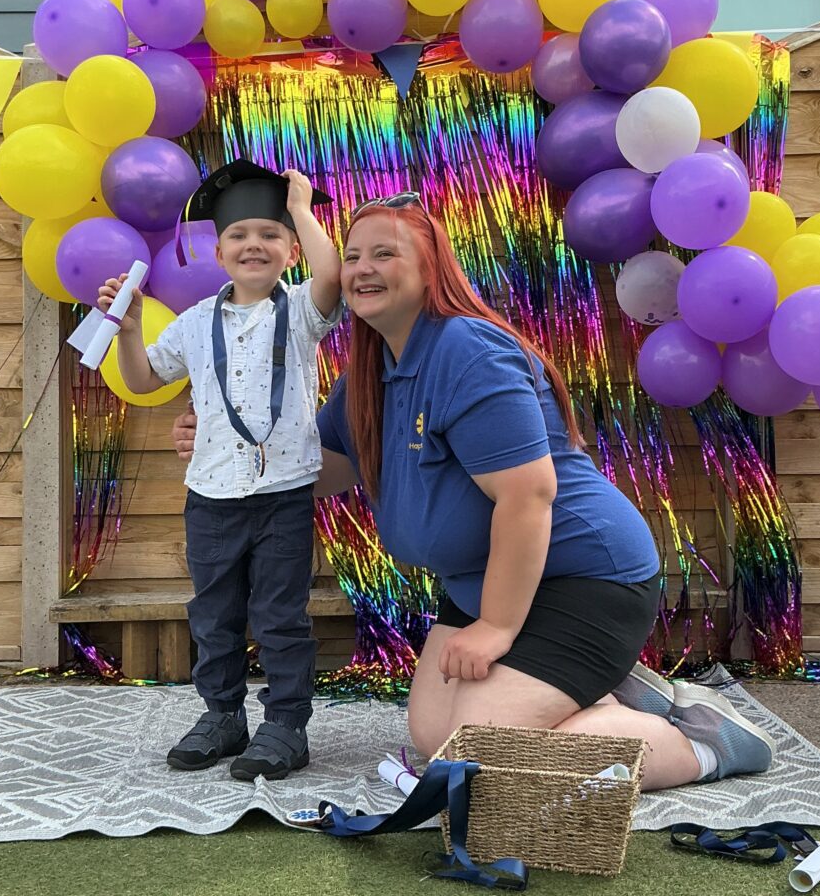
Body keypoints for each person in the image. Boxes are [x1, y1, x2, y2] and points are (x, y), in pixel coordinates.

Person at [172, 193, 775, 790]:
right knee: (437, 740)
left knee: (480, 758)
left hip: (581, 578)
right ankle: (613, 694)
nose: (361, 269)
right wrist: (224, 438)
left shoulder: (469, 350)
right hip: (481, 582)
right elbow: (324, 468)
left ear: (431, 267)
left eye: (385, 253)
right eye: (352, 256)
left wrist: (495, 627)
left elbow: (528, 496)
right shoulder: (372, 370)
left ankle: (707, 745)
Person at [100, 159, 342, 781]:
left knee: (282, 614)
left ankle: (286, 723)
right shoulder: (194, 323)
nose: (253, 245)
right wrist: (128, 331)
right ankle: (223, 715)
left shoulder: (302, 314)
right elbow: (142, 379)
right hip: (210, 494)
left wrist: (303, 209)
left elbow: (332, 273)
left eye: (269, 234)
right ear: (219, 249)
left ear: (289, 250)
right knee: (214, 613)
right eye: (238, 235)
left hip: (282, 494)